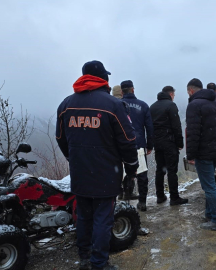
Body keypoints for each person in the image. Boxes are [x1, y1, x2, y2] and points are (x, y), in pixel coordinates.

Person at [56, 60, 138, 270]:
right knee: (103, 218)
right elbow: (128, 142)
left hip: (80, 171)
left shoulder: (66, 105)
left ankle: (84, 257)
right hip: (106, 173)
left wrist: (72, 157)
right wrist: (131, 168)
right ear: (103, 79)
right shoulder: (113, 105)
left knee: (83, 216)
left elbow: (60, 138)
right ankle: (99, 263)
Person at [186, 78, 216, 231]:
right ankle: (209, 213)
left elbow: (193, 133)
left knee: (209, 187)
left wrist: (191, 155)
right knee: (210, 184)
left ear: (190, 91)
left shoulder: (194, 105)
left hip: (204, 152)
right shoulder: (215, 103)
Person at [150, 86, 188, 206]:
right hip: (169, 142)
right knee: (172, 170)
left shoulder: (153, 106)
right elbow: (176, 126)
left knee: (160, 170)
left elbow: (150, 126)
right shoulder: (171, 105)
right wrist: (180, 143)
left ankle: (160, 196)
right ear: (171, 94)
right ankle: (174, 197)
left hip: (157, 142)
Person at [121, 80, 154, 211]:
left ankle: (126, 199)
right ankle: (142, 201)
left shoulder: (117, 105)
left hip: (122, 145)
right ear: (133, 90)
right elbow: (149, 127)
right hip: (139, 144)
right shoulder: (143, 105)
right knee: (142, 174)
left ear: (122, 91)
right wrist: (149, 145)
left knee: (124, 173)